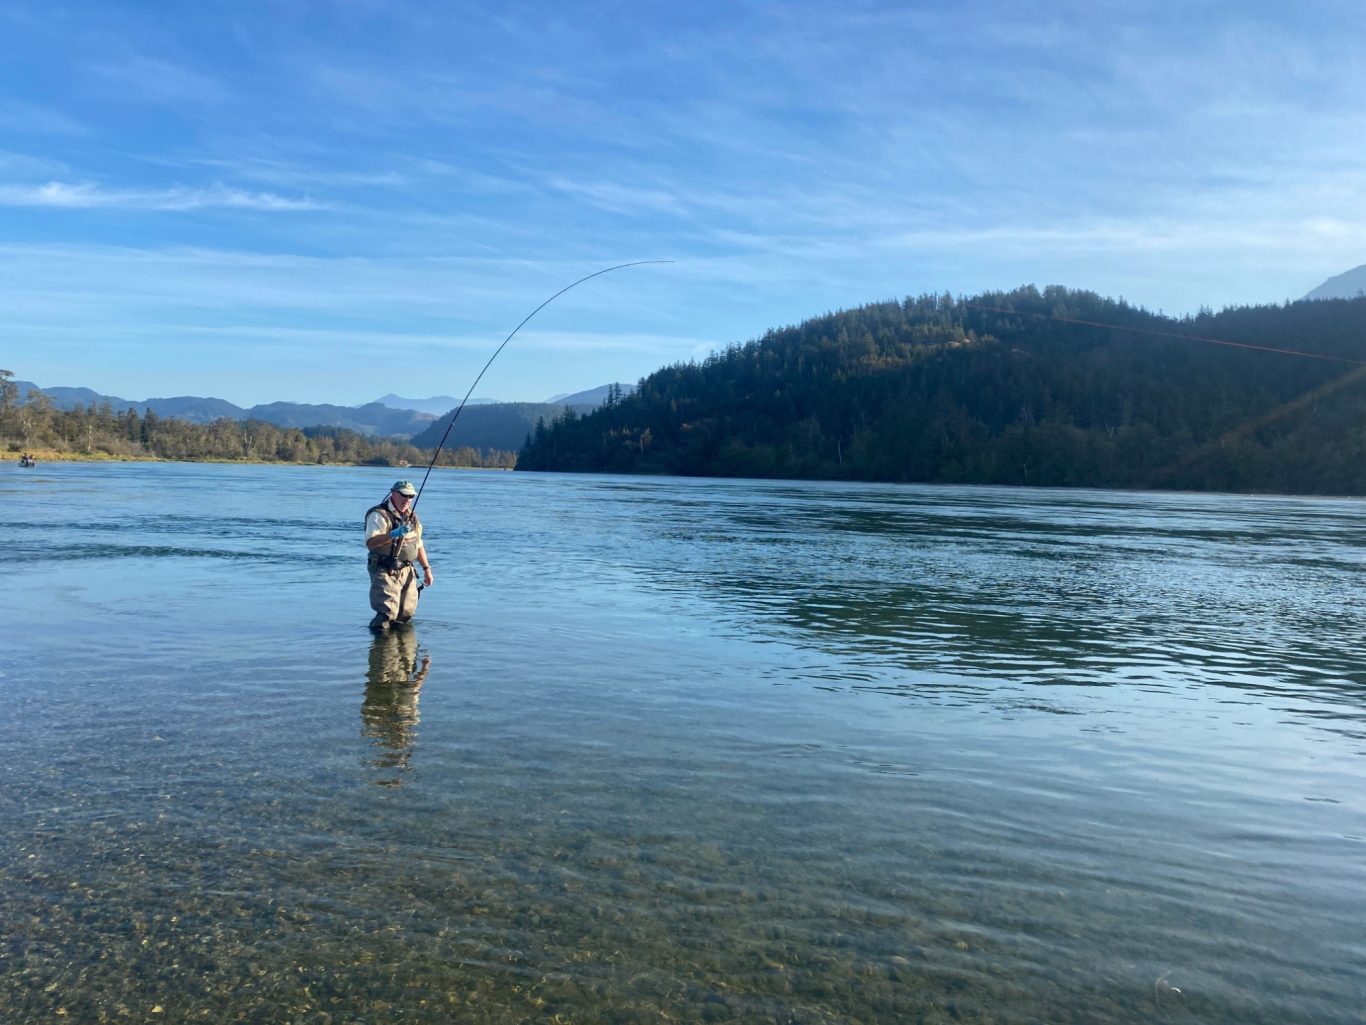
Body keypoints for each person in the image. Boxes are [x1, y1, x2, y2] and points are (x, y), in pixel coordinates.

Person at [364, 480, 434, 631]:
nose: (407, 499)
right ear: (393, 493)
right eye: (403, 495)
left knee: (406, 613)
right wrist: (393, 534)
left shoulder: (413, 518)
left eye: (411, 496)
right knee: (387, 613)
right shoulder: (378, 515)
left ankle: (404, 652)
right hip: (384, 568)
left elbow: (419, 544)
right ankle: (381, 648)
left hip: (407, 569)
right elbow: (371, 543)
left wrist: (427, 569)